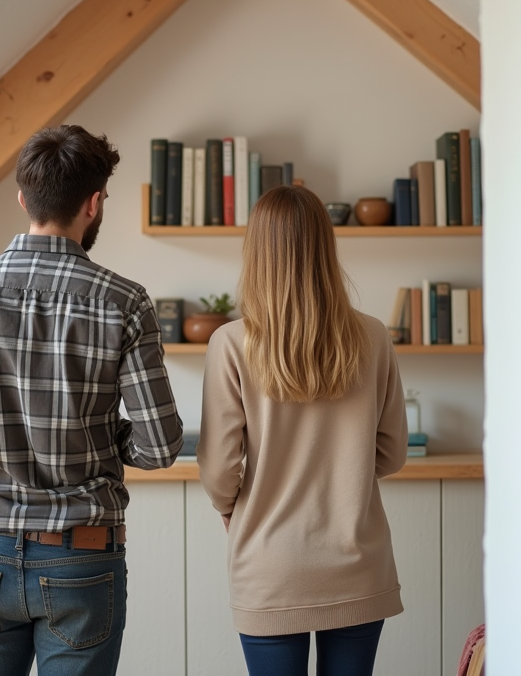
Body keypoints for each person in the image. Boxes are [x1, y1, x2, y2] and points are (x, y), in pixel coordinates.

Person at [0, 124, 184, 676]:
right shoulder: (124, 302)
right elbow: (159, 446)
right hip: (83, 556)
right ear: (94, 203)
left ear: (23, 198)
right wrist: (95, 437)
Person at [196, 184, 408, 676]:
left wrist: (232, 506)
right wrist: (347, 471)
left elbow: (220, 471)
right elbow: (393, 452)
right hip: (357, 562)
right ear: (324, 247)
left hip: (269, 565)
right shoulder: (373, 335)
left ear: (257, 253)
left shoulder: (230, 343)